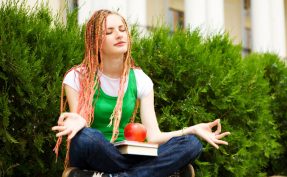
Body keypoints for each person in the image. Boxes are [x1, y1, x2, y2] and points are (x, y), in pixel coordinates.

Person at [52, 9, 230, 177]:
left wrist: (193, 129)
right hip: (94, 151)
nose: (120, 34)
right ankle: (152, 173)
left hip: (125, 155)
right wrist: (80, 120)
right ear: (95, 41)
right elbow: (78, 125)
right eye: (109, 32)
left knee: (191, 144)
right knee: (85, 137)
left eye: (122, 29)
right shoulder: (77, 77)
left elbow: (153, 137)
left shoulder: (140, 79)